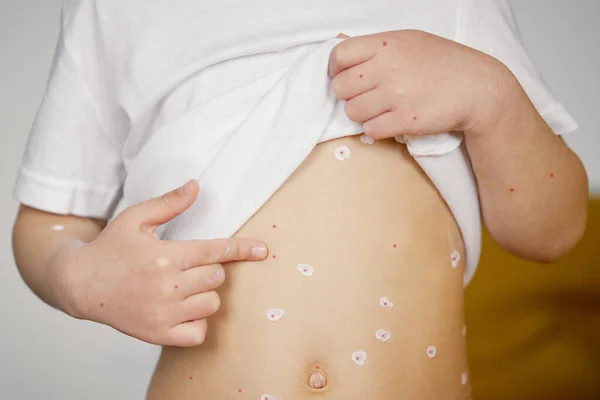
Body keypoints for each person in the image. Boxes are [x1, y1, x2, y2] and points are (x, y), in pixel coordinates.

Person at [11, 0, 588, 399]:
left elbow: (552, 233)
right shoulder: (116, 11)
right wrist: (81, 278)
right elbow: (47, 222)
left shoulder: (457, 6)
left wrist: (492, 99)